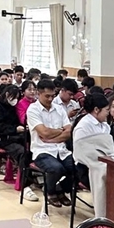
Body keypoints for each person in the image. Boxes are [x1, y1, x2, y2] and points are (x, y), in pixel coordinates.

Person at [27, 79, 75, 209]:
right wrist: (60, 131)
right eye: (47, 96)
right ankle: (50, 191)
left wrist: (53, 138)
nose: (50, 99)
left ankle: (60, 188)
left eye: (53, 96)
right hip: (42, 150)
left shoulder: (59, 109)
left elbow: (69, 131)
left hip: (61, 149)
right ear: (38, 94)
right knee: (56, 168)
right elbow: (44, 132)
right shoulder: (33, 110)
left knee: (77, 167)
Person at [71, 91, 113, 217]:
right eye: (106, 110)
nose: (108, 113)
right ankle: (103, 215)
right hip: (85, 167)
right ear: (96, 110)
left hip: (104, 159)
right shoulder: (83, 127)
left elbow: (107, 147)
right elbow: (81, 152)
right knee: (106, 174)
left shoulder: (105, 125)